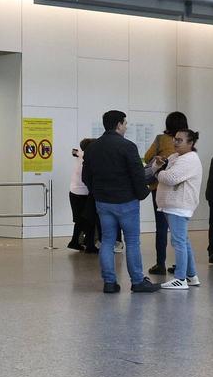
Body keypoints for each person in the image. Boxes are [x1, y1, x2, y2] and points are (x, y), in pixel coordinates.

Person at [82, 110, 159, 294]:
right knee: (132, 241)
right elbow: (137, 175)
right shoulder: (128, 146)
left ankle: (109, 282)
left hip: (103, 203)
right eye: (125, 124)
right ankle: (137, 282)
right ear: (118, 125)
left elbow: (86, 176)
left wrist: (97, 192)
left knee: (107, 241)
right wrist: (143, 193)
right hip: (126, 202)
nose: (126, 127)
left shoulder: (93, 147)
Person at [152, 129, 203, 290]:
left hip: (179, 206)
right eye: (175, 139)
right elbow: (165, 174)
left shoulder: (190, 159)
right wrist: (158, 167)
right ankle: (191, 275)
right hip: (172, 205)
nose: (175, 142)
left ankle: (180, 278)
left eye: (180, 140)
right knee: (183, 240)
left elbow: (171, 178)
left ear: (191, 143)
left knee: (179, 241)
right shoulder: (175, 157)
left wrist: (158, 172)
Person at [144, 112, 189, 274]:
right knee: (180, 228)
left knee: (161, 227)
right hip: (179, 188)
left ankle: (160, 264)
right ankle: (181, 264)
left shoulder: (161, 139)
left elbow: (146, 157)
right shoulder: (187, 141)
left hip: (159, 187)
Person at [68, 138, 97, 253]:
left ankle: (75, 242)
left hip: (74, 192)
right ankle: (89, 245)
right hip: (83, 193)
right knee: (90, 220)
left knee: (80, 220)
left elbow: (75, 152)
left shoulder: (81, 155)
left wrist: (76, 152)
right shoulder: (87, 157)